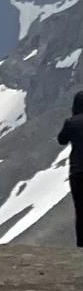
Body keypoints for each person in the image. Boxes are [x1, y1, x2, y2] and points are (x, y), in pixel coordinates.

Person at [58, 88, 83, 249]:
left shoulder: (71, 122)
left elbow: (61, 140)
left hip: (77, 170)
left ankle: (81, 242)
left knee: (80, 208)